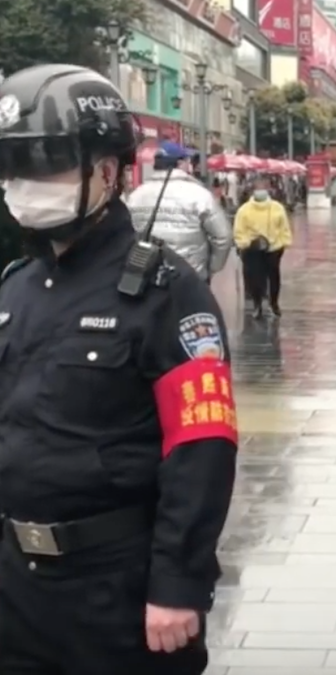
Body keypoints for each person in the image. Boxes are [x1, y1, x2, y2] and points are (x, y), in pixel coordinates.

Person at [0, 64, 237, 674]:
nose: (28, 184)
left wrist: (179, 583)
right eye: (16, 166)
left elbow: (202, 449)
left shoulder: (167, 292)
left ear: (107, 170)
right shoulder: (15, 291)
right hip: (15, 592)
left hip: (119, 593)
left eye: (47, 164)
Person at [126, 141, 232, 283]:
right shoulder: (200, 195)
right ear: (181, 163)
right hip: (191, 277)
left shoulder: (135, 196)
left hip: (149, 278)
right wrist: (211, 267)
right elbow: (223, 237)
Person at [233, 176, 292, 319]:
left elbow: (284, 227)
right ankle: (257, 304)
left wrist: (283, 243)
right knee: (255, 278)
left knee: (274, 277)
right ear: (252, 191)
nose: (261, 191)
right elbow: (239, 230)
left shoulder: (277, 208)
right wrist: (246, 243)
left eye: (263, 188)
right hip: (252, 250)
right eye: (258, 188)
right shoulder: (244, 210)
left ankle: (274, 303)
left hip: (274, 249)